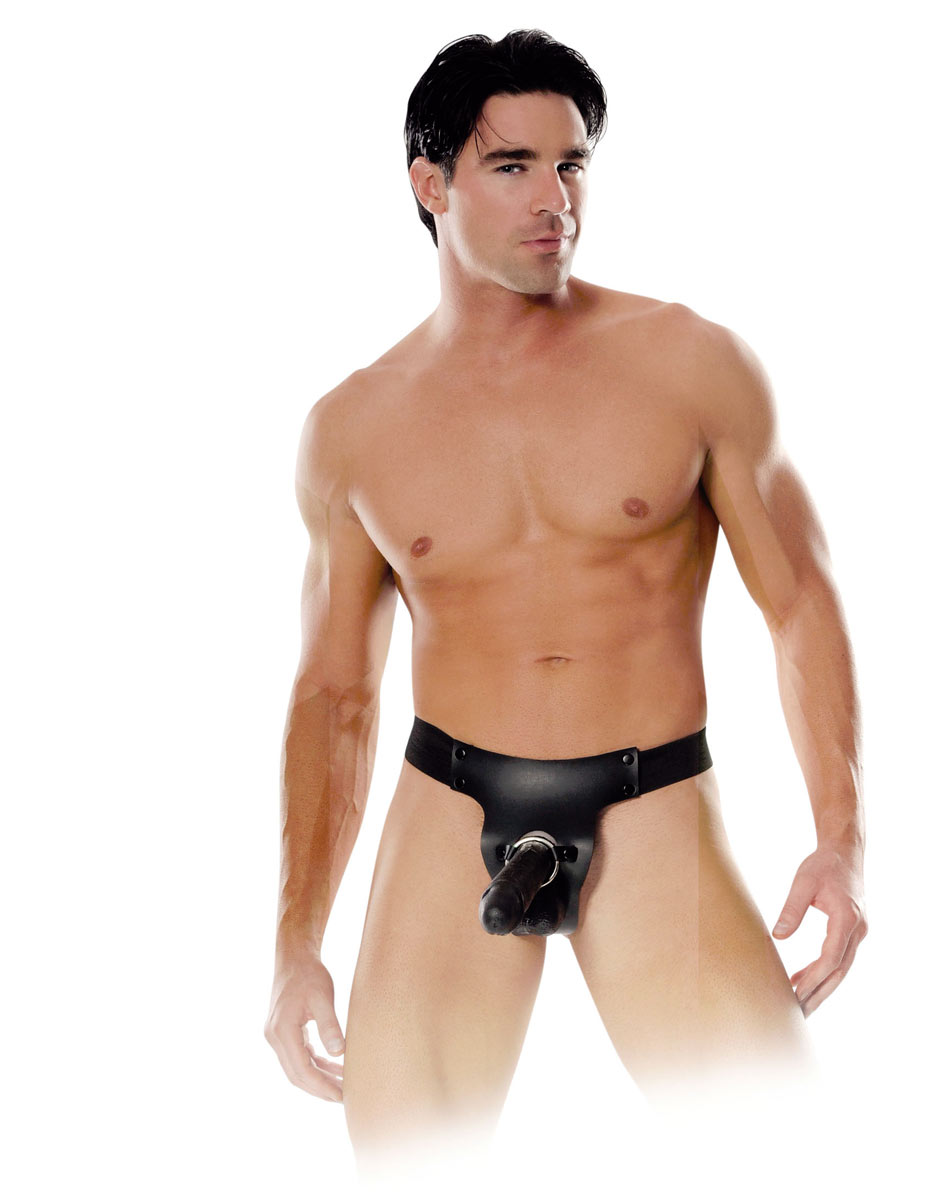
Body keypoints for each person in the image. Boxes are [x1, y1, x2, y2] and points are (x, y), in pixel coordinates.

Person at [263, 28, 867, 1168]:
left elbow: (800, 607)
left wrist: (841, 840)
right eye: (514, 166)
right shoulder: (353, 428)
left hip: (650, 801)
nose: (557, 199)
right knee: (408, 1170)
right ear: (430, 183)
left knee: (778, 1160)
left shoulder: (690, 363)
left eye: (572, 163)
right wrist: (295, 943)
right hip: (451, 804)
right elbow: (335, 694)